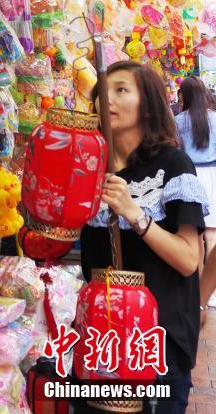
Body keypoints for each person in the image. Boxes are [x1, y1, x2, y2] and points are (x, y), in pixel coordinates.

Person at [79, 61, 208, 414]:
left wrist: (134, 213)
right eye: (101, 92)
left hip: (157, 342)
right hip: (101, 341)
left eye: (121, 90)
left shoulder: (173, 165)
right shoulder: (89, 168)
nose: (107, 99)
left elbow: (187, 259)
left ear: (148, 105)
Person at [175, 77, 216, 289]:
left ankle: (197, 286)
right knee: (212, 235)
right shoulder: (215, 119)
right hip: (212, 174)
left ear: (185, 96)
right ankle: (211, 288)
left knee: (194, 233)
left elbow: (176, 150)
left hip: (189, 176)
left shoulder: (178, 121)